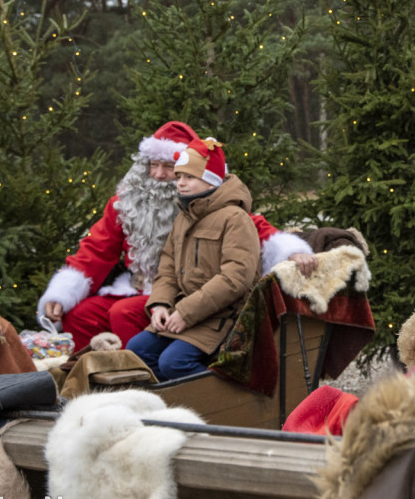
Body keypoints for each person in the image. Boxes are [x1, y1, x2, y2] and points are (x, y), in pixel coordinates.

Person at [127, 137, 315, 381]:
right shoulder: (185, 217)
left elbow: (235, 278)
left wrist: (186, 313)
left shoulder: (234, 219)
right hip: (185, 310)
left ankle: (227, 403)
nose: (181, 184)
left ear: (211, 180)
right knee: (136, 351)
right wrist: (160, 304)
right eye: (180, 176)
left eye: (190, 177)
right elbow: (168, 268)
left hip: (222, 317)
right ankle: (174, 405)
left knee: (174, 362)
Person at [38, 121, 198, 351]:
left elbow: (250, 230)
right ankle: (91, 377)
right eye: (153, 165)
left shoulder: (201, 203)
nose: (159, 175)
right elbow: (96, 250)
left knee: (123, 313)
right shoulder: (126, 204)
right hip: (138, 287)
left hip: (180, 295)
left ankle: (142, 378)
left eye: (168, 167)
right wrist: (61, 294)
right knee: (80, 315)